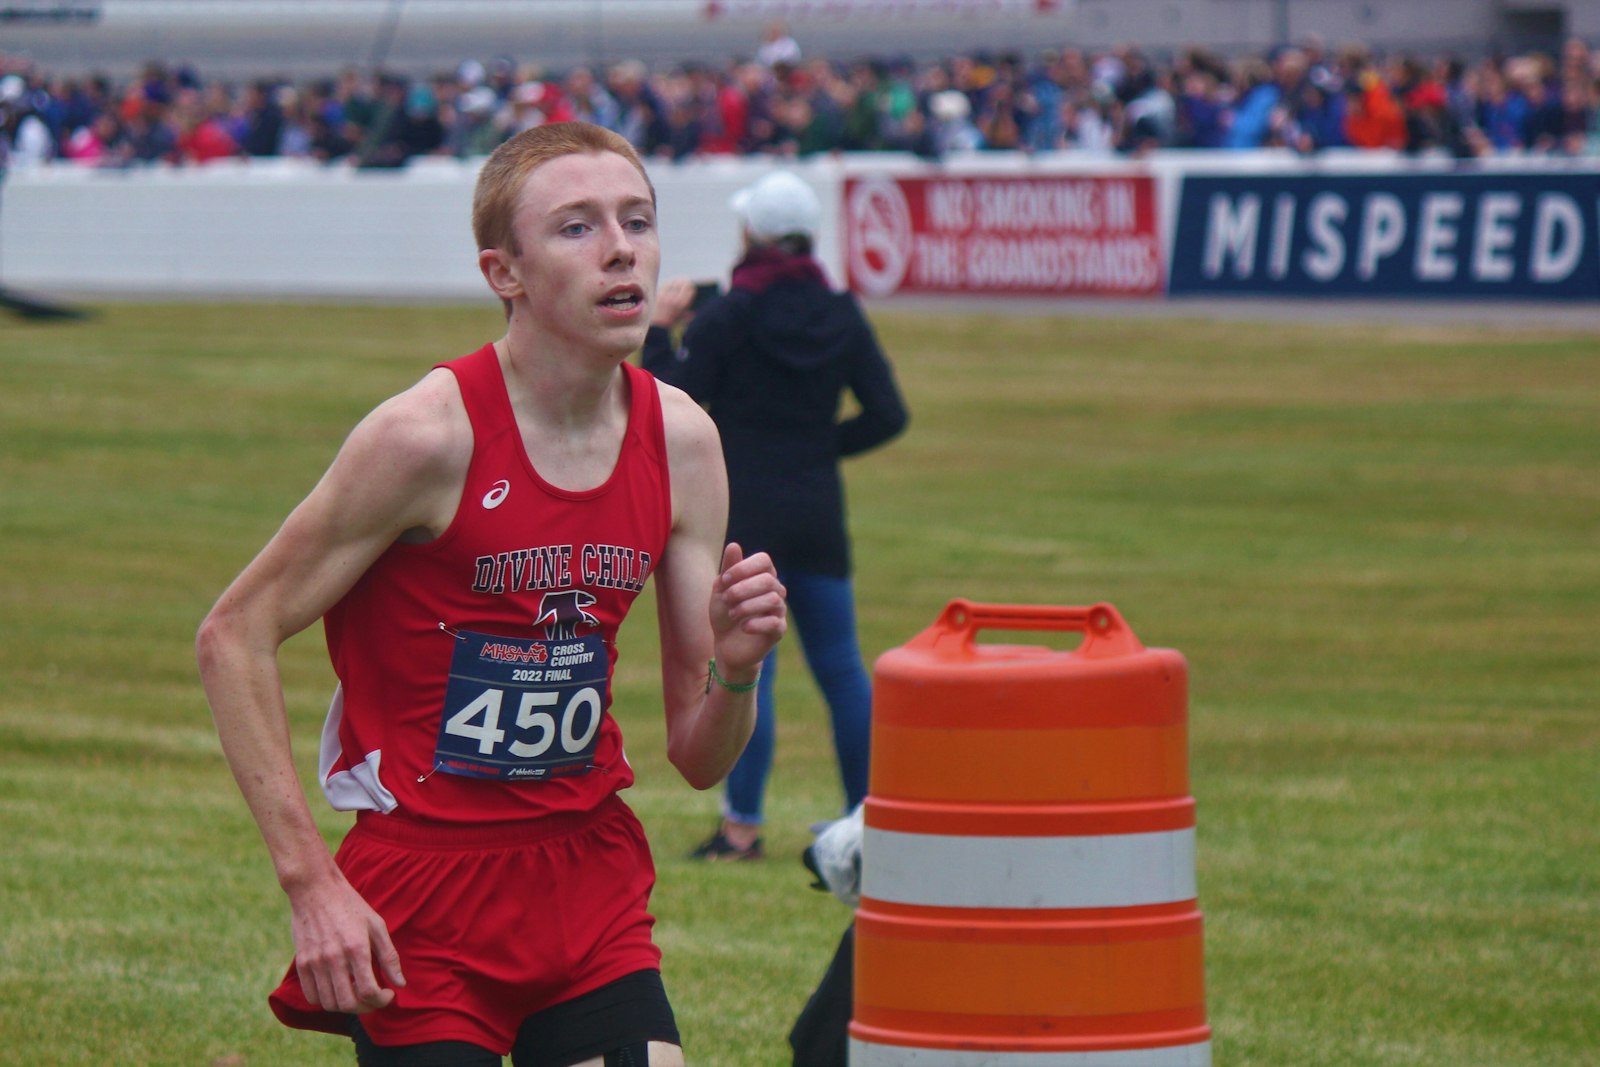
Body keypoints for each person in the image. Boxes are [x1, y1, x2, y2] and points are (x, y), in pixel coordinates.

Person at [195, 121, 787, 1066]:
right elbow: (233, 634)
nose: (622, 247)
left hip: (585, 873)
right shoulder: (424, 438)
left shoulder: (683, 441)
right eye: (577, 228)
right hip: (425, 890)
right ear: (502, 271)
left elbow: (700, 755)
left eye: (637, 219)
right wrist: (312, 884)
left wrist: (740, 670)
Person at [642, 169, 908, 861]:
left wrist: (661, 332)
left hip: (746, 509)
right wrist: (820, 447)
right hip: (818, 508)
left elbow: (672, 398)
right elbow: (888, 414)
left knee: (747, 666)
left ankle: (742, 827)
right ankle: (864, 824)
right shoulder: (841, 310)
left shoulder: (732, 312)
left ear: (753, 235)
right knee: (843, 669)